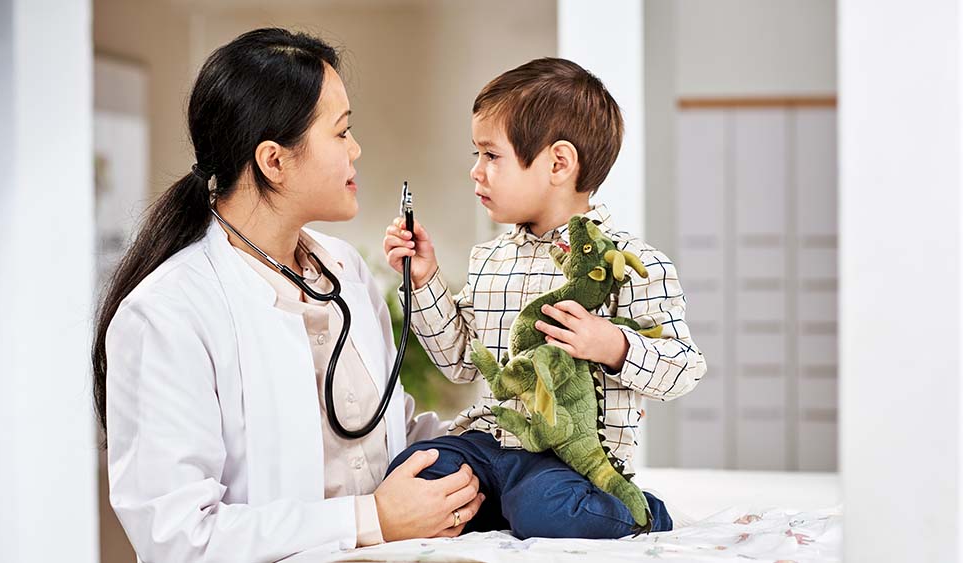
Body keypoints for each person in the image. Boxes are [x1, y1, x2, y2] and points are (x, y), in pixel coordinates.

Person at [92, 28, 483, 562]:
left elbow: (389, 433)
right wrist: (374, 519)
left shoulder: (344, 269)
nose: (357, 149)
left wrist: (506, 435)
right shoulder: (167, 312)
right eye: (342, 133)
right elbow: (179, 537)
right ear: (273, 161)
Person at [383, 58, 707, 540]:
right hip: (489, 442)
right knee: (414, 465)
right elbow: (459, 364)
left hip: (563, 457)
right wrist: (426, 280)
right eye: (477, 154)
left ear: (558, 163)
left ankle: (641, 512)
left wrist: (613, 345)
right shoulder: (489, 259)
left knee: (546, 510)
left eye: (491, 156)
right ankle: (504, 505)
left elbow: (685, 369)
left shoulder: (633, 262)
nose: (475, 172)